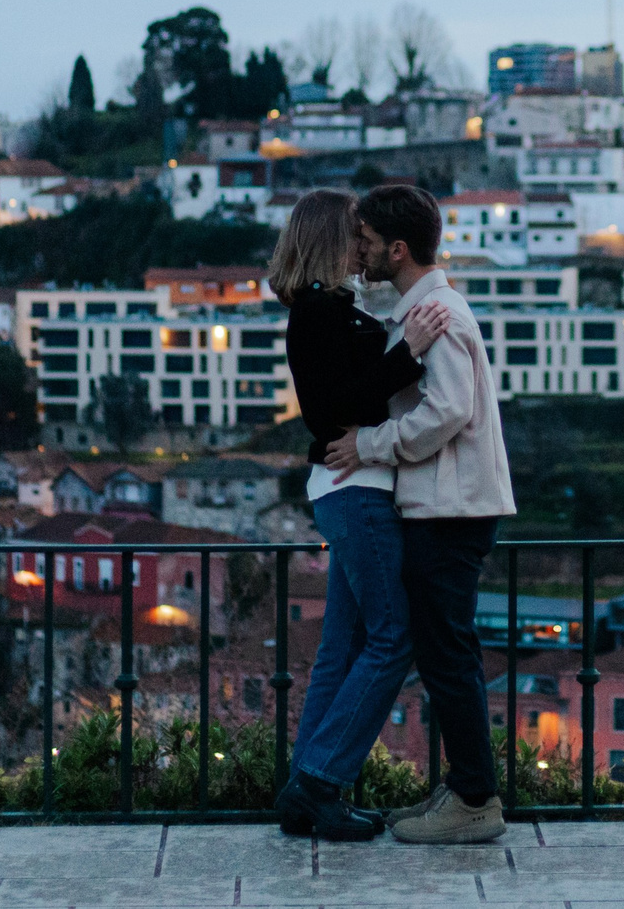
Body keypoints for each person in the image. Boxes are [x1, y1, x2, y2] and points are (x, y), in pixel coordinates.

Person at [325, 182, 516, 844]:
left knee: (447, 655)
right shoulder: (430, 311)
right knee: (444, 652)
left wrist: (371, 444)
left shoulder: (437, 314)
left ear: (398, 249)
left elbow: (448, 409)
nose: (360, 251)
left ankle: (475, 799)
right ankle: (467, 788)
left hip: (449, 509)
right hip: (448, 504)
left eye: (367, 241)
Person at [268, 189, 432, 840]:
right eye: (356, 234)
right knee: (394, 637)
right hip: (356, 489)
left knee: (342, 648)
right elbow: (334, 407)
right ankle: (320, 780)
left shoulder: (330, 307)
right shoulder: (318, 311)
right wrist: (407, 352)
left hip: (349, 488)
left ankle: (305, 789)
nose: (363, 245)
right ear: (333, 239)